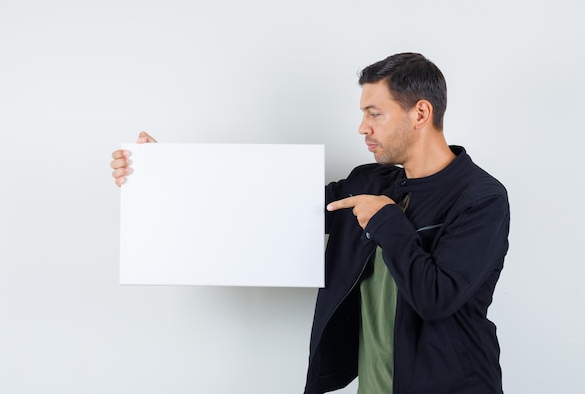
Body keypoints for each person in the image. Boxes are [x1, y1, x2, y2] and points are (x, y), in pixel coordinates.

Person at [109, 52, 510, 394]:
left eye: (375, 113)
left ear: (421, 112)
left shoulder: (481, 198)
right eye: (362, 113)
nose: (362, 128)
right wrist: (168, 172)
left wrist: (387, 220)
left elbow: (436, 298)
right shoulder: (368, 182)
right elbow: (274, 206)